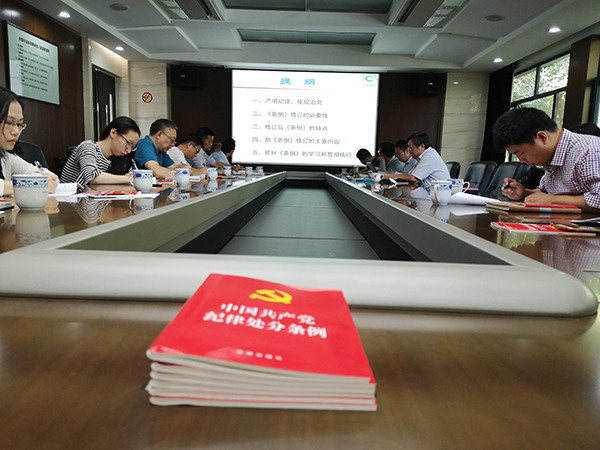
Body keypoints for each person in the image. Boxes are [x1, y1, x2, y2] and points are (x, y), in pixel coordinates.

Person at [493, 107, 600, 213]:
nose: (521, 160)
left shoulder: (589, 150)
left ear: (542, 137)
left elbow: (598, 199)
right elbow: (547, 193)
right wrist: (525, 193)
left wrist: (553, 200)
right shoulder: (551, 156)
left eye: (520, 153)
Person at [0, 86, 58, 196]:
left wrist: (41, 180)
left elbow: (51, 178)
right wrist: (32, 184)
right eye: (9, 122)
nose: (16, 131)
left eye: (19, 124)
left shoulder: (5, 157)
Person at [61, 116, 141, 185]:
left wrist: (131, 174)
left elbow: (128, 173)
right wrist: (129, 178)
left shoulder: (116, 157)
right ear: (113, 133)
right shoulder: (88, 147)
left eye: (132, 147)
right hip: (69, 197)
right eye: (128, 143)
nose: (128, 151)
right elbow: (91, 177)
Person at [385, 131, 450, 191]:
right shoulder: (423, 156)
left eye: (411, 148)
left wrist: (387, 176)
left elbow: (412, 178)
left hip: (436, 195)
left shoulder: (429, 157)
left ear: (422, 146)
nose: (409, 151)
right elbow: (409, 175)